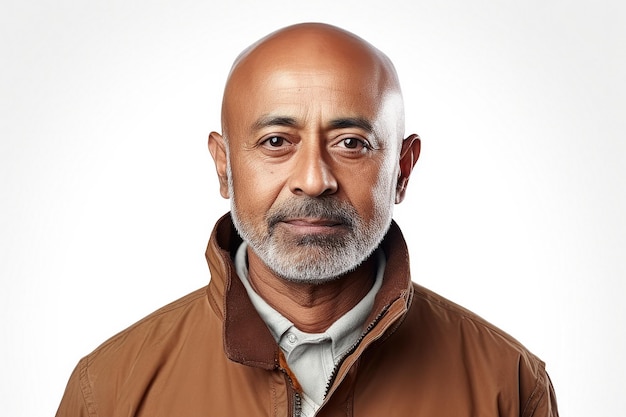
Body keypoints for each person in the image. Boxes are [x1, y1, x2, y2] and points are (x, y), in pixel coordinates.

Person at [56, 23, 558, 417]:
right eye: (277, 141)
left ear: (402, 170)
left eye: (351, 144)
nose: (314, 180)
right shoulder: (109, 390)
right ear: (224, 166)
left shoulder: (508, 385)